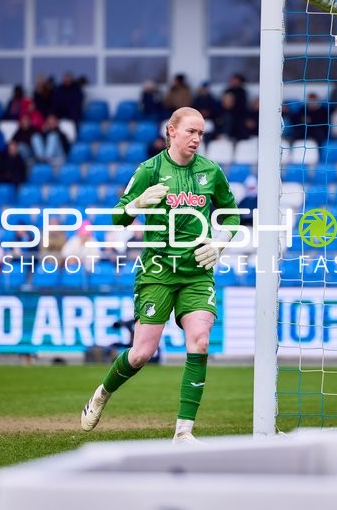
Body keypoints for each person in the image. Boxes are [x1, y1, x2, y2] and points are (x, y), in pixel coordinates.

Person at [80, 107, 240, 444]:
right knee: (140, 354)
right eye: (191, 132)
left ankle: (183, 431)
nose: (196, 138)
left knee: (200, 339)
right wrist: (136, 205)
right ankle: (101, 394)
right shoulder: (149, 170)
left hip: (197, 273)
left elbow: (231, 217)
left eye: (201, 133)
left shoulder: (211, 172)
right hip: (157, 272)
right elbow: (116, 219)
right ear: (172, 131)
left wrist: (220, 241)